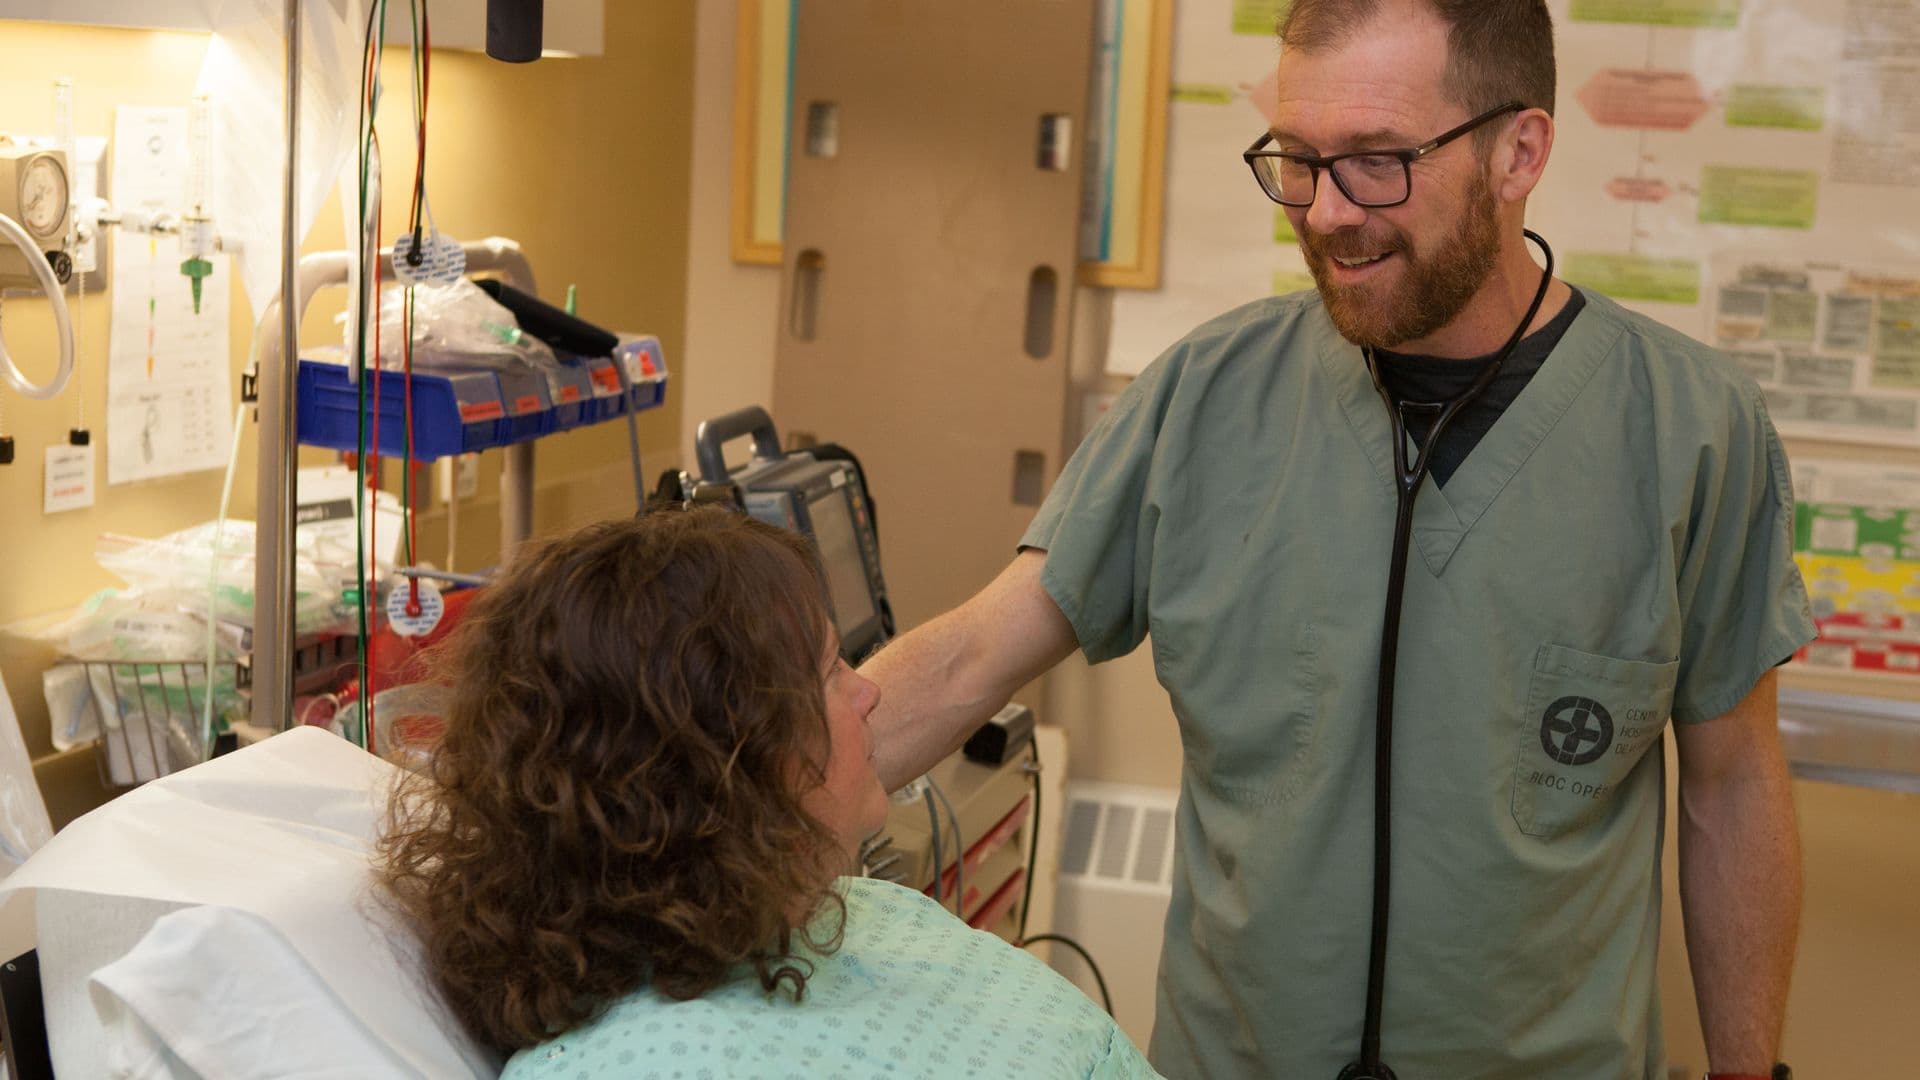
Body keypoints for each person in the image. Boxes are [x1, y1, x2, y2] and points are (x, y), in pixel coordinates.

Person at [860, 2, 1812, 1078]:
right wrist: (733, 806)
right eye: (1299, 161)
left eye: (1375, 163)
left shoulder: (1689, 432)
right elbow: (975, 654)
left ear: (1519, 152)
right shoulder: (1204, 399)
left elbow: (1731, 786)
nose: (1322, 213)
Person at [375, 509, 1157, 1079]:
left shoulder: (865, 916)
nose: (870, 696)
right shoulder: (643, 1065)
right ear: (724, 763)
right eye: (829, 673)